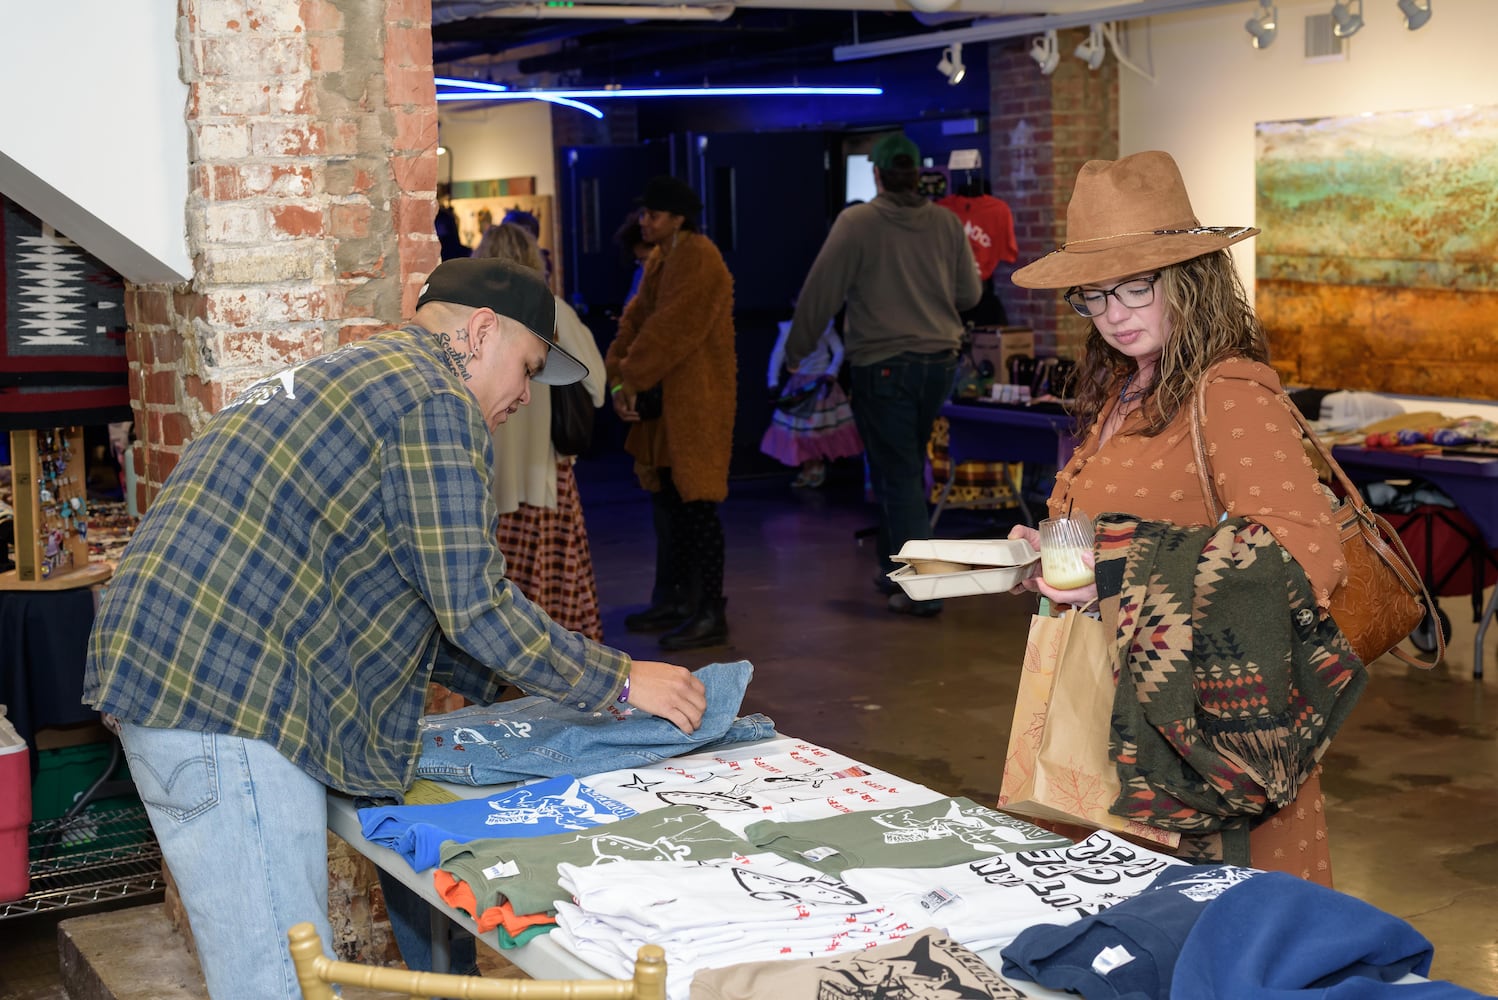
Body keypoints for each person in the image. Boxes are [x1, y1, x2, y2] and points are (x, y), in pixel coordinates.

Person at [82, 257, 708, 1000]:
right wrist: (622, 681)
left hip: (181, 684)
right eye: (528, 368)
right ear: (480, 332)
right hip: (222, 703)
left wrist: (515, 694)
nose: (522, 397)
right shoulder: (432, 399)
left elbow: (403, 588)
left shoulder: (362, 375)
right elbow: (474, 604)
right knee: (279, 984)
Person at [1006, 150, 1351, 882]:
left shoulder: (1228, 391)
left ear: (1190, 280)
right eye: (1093, 297)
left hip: (1204, 736)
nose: (1114, 316)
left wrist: (1109, 567)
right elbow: (1110, 531)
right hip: (1115, 708)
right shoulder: (1127, 389)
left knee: (1221, 947)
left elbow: (1305, 554)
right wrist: (1046, 549)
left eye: (1135, 288)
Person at [784, 132, 981, 617]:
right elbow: (969, 295)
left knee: (898, 475)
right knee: (906, 465)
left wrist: (795, 353)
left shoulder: (857, 223)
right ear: (918, 173)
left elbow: (819, 294)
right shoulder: (945, 223)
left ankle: (925, 591)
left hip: (884, 364)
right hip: (939, 363)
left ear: (876, 175)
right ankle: (893, 568)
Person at [606, 175, 737, 651]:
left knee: (699, 507)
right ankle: (678, 600)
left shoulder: (699, 256)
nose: (645, 221)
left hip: (696, 402)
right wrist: (619, 374)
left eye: (653, 214)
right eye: (644, 213)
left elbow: (671, 329)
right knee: (668, 507)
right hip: (666, 405)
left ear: (678, 218)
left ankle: (710, 612)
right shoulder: (663, 257)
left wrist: (630, 375)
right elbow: (635, 321)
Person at [473, 222, 609, 641]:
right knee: (554, 609)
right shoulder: (553, 310)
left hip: (486, 483)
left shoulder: (476, 319)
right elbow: (599, 386)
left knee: (493, 601)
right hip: (543, 480)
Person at [760, 317, 862, 489]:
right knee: (800, 430)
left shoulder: (824, 325)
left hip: (821, 383)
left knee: (816, 428)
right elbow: (778, 355)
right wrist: (773, 382)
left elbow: (838, 350)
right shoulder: (789, 328)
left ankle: (816, 466)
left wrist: (831, 372)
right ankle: (808, 466)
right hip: (800, 385)